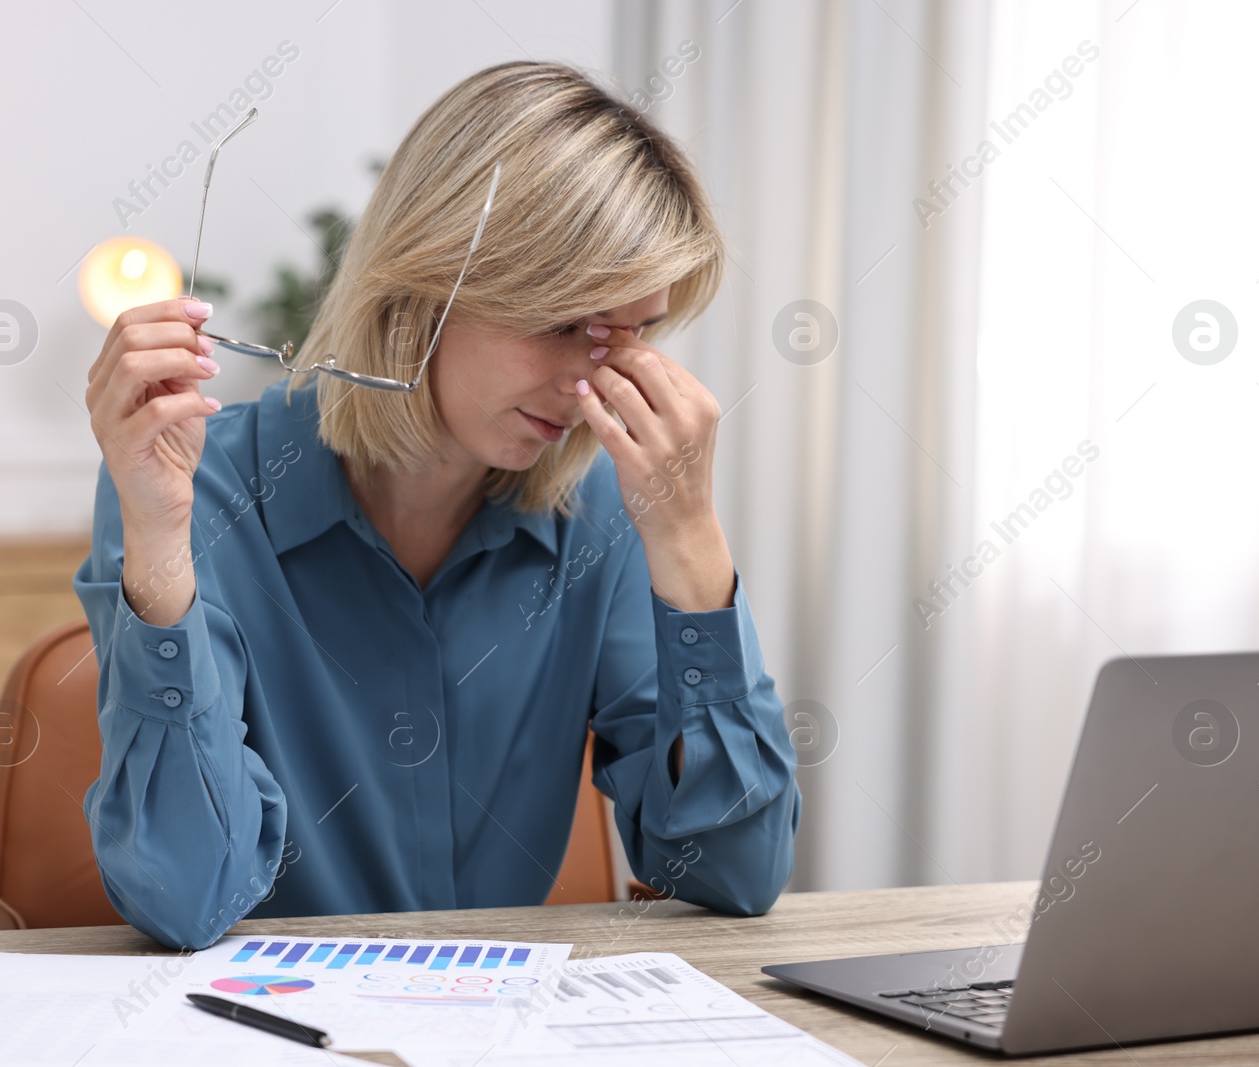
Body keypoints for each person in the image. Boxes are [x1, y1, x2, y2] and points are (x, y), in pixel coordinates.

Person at [74, 60, 800, 951]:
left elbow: (736, 871)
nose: (588, 384)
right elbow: (187, 894)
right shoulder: (186, 488)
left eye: (630, 334)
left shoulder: (605, 507)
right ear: (423, 287)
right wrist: (155, 547)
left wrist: (691, 540)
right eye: (563, 322)